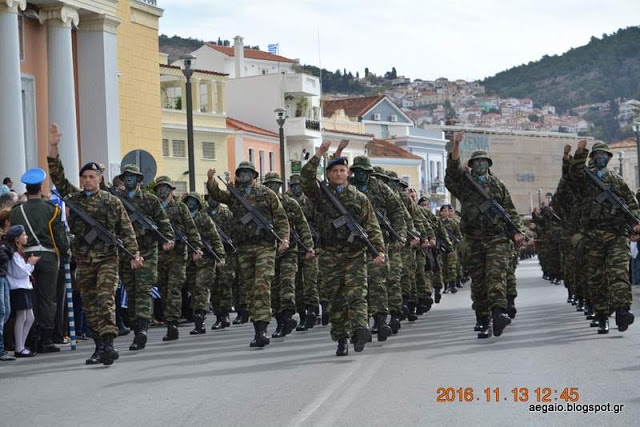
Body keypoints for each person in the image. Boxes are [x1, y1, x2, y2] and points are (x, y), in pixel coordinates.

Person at [48, 123, 143, 365]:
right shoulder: (75, 198)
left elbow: (126, 229)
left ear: (99, 178)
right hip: (84, 258)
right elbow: (58, 177)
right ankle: (99, 346)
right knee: (90, 304)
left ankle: (109, 343)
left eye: (92, 177)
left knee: (105, 298)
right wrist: (54, 146)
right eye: (84, 177)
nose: (88, 180)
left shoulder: (111, 201)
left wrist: (134, 254)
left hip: (108, 258)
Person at [300, 141, 385, 356]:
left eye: (342, 170)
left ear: (348, 173)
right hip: (329, 254)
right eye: (335, 171)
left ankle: (359, 330)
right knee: (335, 298)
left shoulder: (359, 198)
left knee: (357, 294)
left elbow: (371, 225)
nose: (339, 174)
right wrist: (319, 153)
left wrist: (378, 250)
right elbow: (305, 178)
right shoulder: (320, 195)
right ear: (328, 174)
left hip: (354, 253)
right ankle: (341, 337)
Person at [445, 132, 525, 339]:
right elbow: (452, 172)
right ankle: (482, 318)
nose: (480, 165)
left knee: (496, 276)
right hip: (473, 240)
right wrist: (456, 145)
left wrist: (517, 232)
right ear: (471, 165)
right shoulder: (465, 184)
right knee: (479, 281)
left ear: (488, 164)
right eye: (476, 162)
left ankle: (498, 313)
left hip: (496, 239)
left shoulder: (498, 186)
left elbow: (510, 211)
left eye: (483, 161)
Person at [207, 162, 290, 348]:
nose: (244, 176)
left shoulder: (266, 194)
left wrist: (284, 239)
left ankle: (262, 329)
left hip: (265, 246)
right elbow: (217, 195)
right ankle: (258, 326)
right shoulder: (234, 195)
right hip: (244, 248)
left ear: (254, 175)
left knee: (262, 284)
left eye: (248, 173)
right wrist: (211, 180)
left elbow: (280, 217)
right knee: (251, 288)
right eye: (241, 173)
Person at [569, 140, 640, 334]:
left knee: (618, 273)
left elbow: (631, 204)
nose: (600, 158)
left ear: (608, 159)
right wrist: (580, 153)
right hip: (593, 235)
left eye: (604, 155)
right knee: (597, 278)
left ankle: (622, 310)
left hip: (616, 234)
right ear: (592, 158)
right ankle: (601, 315)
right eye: (597, 155)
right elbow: (573, 175)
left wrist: (636, 222)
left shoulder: (617, 180)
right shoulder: (584, 179)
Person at [112, 164, 175, 350]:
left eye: (133, 176)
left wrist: (168, 239)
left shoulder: (150, 200)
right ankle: (136, 325)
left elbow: (163, 222)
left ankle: (142, 329)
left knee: (144, 290)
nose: (129, 179)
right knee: (130, 292)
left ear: (139, 180)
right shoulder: (117, 200)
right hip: (126, 252)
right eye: (126, 176)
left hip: (147, 251)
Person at [9, 168, 68, 354]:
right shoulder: (52, 209)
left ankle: (30, 339)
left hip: (25, 256)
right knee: (48, 298)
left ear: (26, 188)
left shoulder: (16, 211)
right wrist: (66, 251)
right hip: (48, 256)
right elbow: (60, 236)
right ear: (41, 187)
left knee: (30, 298)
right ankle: (46, 339)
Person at [349, 156, 407, 341]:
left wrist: (400, 233)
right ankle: (359, 324)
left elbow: (397, 211)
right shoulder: (348, 188)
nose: (360, 174)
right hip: (352, 243)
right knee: (356, 285)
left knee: (377, 281)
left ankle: (381, 320)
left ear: (368, 172)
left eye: (363, 171)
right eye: (357, 171)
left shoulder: (381, 188)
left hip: (377, 239)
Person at [263, 172, 315, 338]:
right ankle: (280, 322)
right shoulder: (260, 204)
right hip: (269, 251)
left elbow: (302, 225)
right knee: (274, 289)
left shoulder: (290, 203)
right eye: (269, 184)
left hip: (291, 250)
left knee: (288, 283)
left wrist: (309, 246)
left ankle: (288, 316)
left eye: (275, 184)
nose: (272, 187)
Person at [153, 176, 202, 342]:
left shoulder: (181, 208)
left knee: (174, 288)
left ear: (171, 190)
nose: (162, 190)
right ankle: (169, 318)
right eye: (159, 187)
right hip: (159, 254)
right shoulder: (153, 208)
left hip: (178, 255)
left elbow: (191, 229)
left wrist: (197, 248)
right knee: (164, 289)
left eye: (165, 187)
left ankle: (172, 324)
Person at [182, 192, 224, 334]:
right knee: (193, 288)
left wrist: (220, 256)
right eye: (188, 201)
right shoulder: (182, 219)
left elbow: (215, 238)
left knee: (201, 286)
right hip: (189, 260)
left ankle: (200, 315)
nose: (190, 204)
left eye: (193, 201)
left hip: (206, 259)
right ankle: (198, 317)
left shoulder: (205, 219)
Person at [286, 174, 320, 331]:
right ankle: (302, 314)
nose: (296, 188)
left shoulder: (311, 202)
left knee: (311, 281)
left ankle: (313, 310)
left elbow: (320, 220)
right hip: (294, 248)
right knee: (297, 284)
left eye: (298, 185)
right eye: (293, 186)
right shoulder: (287, 203)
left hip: (311, 246)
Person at [6, 225, 39, 357]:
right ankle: (19, 347)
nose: (26, 237)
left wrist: (30, 265)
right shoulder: (14, 254)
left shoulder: (19, 253)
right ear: (17, 239)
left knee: (29, 317)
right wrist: (31, 263)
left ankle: (21, 345)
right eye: (24, 235)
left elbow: (25, 272)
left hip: (24, 287)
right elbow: (20, 273)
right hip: (18, 288)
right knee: (22, 317)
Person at [206, 196, 237, 329]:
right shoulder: (204, 214)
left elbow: (235, 231)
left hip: (226, 254)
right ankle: (218, 315)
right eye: (209, 199)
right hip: (210, 253)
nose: (212, 201)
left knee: (224, 284)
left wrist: (230, 244)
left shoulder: (226, 213)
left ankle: (225, 314)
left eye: (214, 198)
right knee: (213, 285)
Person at [0, 216, 15, 361]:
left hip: (3, 275)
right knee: (1, 311)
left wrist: (5, 249)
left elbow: (9, 253)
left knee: (6, 311)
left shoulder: (4, 239)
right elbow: (4, 256)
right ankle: (1, 348)